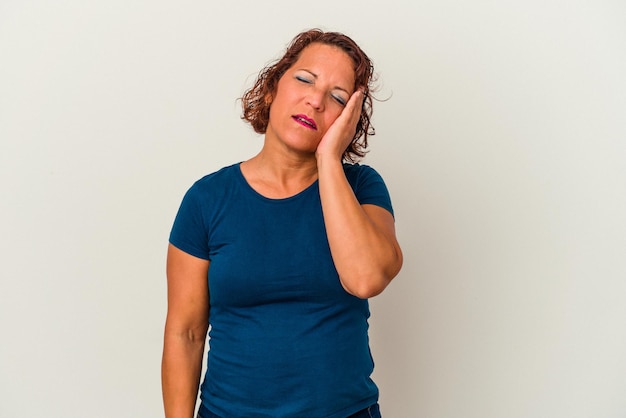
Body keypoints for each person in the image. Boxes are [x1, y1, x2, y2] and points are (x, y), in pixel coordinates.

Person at [161, 28, 403, 418]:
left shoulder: (362, 188)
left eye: (337, 98)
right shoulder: (207, 199)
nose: (316, 100)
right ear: (273, 87)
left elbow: (365, 279)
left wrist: (328, 160)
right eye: (305, 79)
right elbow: (185, 332)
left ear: (349, 119)